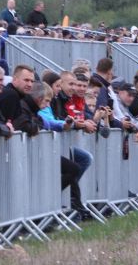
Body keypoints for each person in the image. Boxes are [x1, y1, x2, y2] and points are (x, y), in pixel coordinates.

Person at [12, 83, 91, 220]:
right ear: (39, 98)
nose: (48, 105)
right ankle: (51, 200)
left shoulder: (35, 108)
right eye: (47, 101)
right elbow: (39, 124)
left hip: (44, 149)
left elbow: (47, 123)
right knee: (73, 168)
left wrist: (64, 124)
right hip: (36, 151)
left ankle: (62, 201)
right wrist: (41, 127)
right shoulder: (27, 106)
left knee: (75, 167)